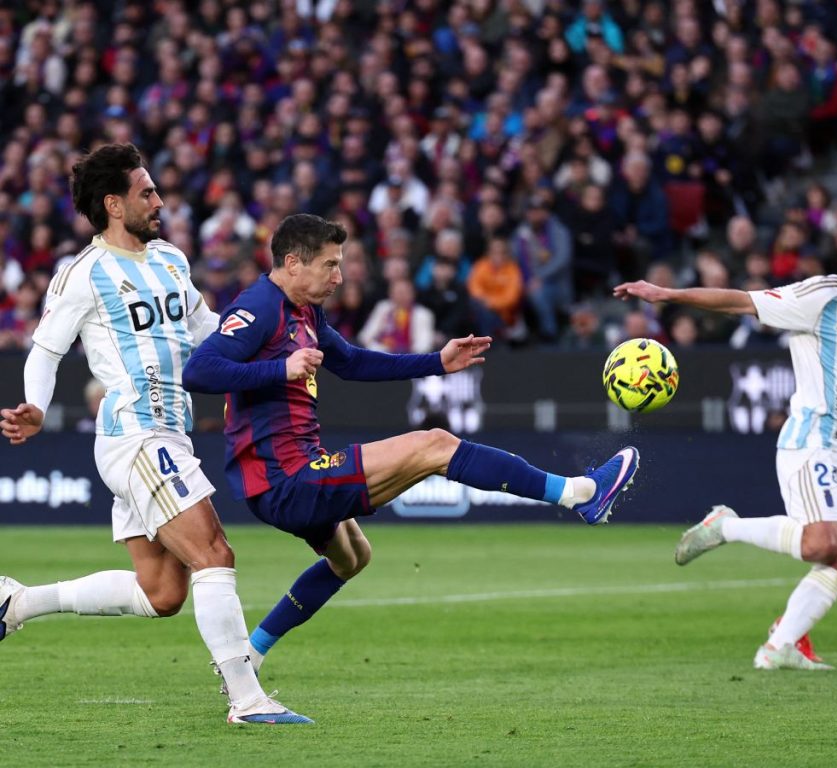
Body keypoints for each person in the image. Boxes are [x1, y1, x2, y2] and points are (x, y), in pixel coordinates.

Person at [180, 213, 639, 679]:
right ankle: (578, 494)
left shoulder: (305, 311)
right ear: (293, 263)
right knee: (435, 445)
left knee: (352, 558)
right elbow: (199, 371)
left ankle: (251, 654)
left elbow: (353, 363)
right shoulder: (259, 306)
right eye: (330, 265)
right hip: (284, 478)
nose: (339, 278)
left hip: (292, 472)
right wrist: (281, 369)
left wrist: (437, 362)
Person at [0, 143, 310, 725]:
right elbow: (44, 350)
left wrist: (270, 352)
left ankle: (17, 601)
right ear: (114, 204)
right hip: (136, 435)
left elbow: (208, 331)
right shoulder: (83, 274)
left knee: (162, 593)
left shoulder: (171, 259)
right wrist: (36, 407)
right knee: (215, 553)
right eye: (147, 192)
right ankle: (247, 700)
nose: (160, 201)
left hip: (172, 434)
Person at [613, 211, 837, 670]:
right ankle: (725, 527)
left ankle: (780, 646)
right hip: (810, 440)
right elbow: (741, 302)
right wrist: (668, 294)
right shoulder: (821, 297)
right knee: (820, 545)